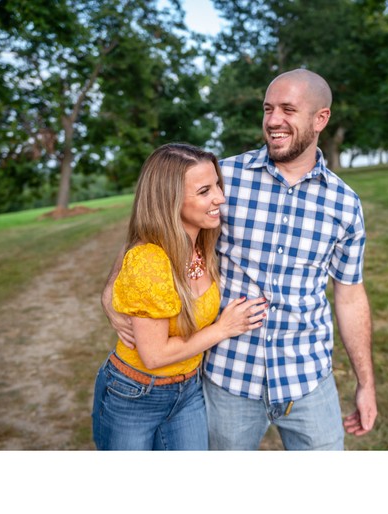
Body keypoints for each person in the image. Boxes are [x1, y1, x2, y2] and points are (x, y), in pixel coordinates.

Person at [102, 69, 377, 450]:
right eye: (268, 109)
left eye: (288, 110)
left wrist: (366, 383)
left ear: (321, 119)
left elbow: (349, 295)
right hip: (228, 377)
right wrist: (109, 297)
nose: (273, 120)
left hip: (308, 377)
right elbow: (154, 232)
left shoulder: (345, 205)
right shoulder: (223, 178)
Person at [91, 143, 268, 450]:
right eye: (204, 191)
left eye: (217, 185)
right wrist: (223, 328)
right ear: (169, 199)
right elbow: (155, 355)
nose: (220, 198)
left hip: (188, 390)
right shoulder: (150, 260)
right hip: (134, 393)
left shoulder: (204, 241)